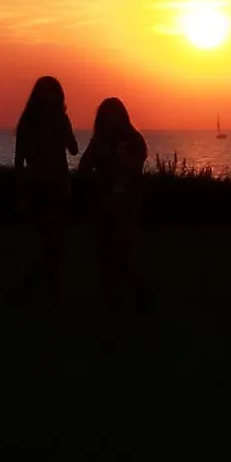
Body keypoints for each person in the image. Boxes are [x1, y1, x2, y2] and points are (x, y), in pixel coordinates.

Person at [78, 97, 154, 313]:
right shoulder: (98, 141)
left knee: (120, 255)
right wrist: (96, 154)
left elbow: (135, 168)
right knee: (104, 256)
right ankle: (110, 303)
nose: (108, 121)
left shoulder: (135, 140)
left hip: (126, 206)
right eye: (105, 116)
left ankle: (141, 294)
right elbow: (83, 167)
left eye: (112, 115)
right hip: (102, 204)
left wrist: (118, 156)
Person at [8, 76, 79, 303]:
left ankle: (43, 287)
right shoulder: (29, 122)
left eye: (53, 92)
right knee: (51, 241)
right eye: (45, 92)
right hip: (40, 188)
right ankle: (39, 288)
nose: (49, 97)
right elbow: (19, 159)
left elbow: (74, 149)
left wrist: (65, 127)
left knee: (57, 243)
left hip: (60, 186)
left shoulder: (61, 119)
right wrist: (20, 192)